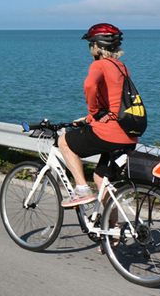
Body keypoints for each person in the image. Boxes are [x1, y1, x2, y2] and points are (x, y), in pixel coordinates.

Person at [57, 23, 138, 207]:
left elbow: (89, 85)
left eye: (90, 45)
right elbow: (116, 103)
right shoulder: (121, 66)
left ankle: (82, 189)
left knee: (64, 141)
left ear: (96, 46)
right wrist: (89, 119)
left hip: (110, 133)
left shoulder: (99, 65)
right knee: (101, 180)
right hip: (129, 136)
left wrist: (93, 111)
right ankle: (114, 230)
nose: (90, 49)